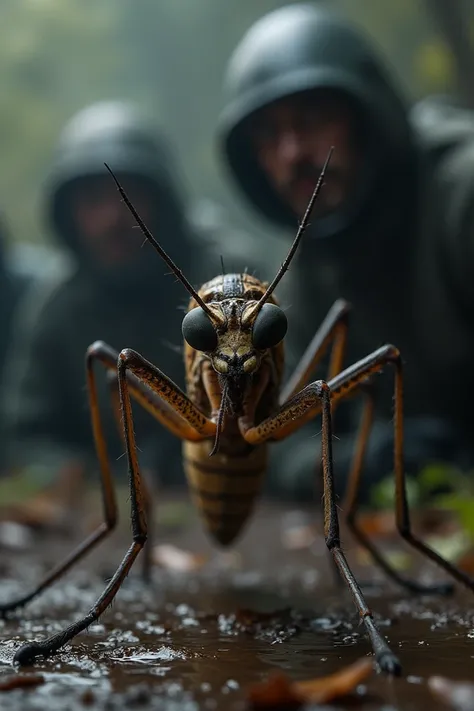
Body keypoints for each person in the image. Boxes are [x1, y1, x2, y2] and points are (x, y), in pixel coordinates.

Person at [216, 3, 474, 502]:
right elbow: (268, 441)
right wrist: (362, 457)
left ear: (367, 116)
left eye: (313, 119)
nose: (292, 153)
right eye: (269, 137)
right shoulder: (308, 272)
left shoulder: (459, 196)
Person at [0, 100, 212, 528]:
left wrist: (191, 453)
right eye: (93, 200)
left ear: (161, 201)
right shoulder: (56, 306)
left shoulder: (215, 282)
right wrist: (102, 471)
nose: (113, 218)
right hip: (110, 515)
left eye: (128, 196)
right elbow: (23, 433)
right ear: (70, 213)